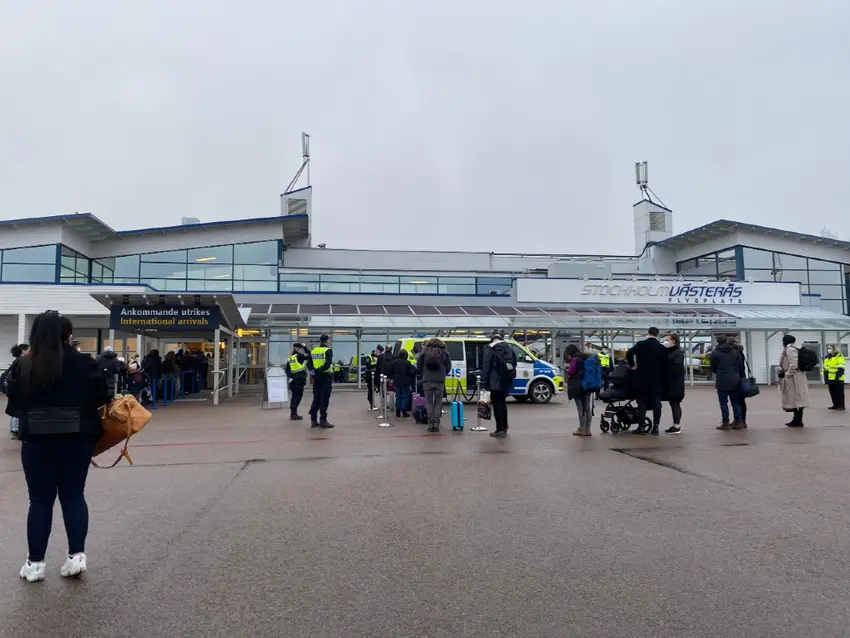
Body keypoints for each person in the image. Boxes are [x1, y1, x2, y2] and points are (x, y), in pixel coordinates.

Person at [5, 311, 108, 583]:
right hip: (77, 437)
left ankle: (35, 563)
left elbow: (14, 399)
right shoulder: (85, 362)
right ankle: (76, 556)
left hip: (37, 439)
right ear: (68, 335)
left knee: (40, 500)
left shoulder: (24, 364)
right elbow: (102, 396)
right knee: (74, 496)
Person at [626, 327, 669, 435]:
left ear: (648, 333)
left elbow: (629, 353)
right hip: (656, 380)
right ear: (657, 334)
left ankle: (641, 426)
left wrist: (633, 365)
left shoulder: (641, 344)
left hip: (642, 378)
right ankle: (656, 427)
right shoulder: (662, 348)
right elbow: (666, 365)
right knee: (656, 404)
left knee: (642, 403)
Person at [481, 333, 517, 438]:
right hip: (506, 381)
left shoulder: (490, 349)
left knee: (497, 405)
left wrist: (484, 382)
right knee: (503, 404)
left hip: (495, 382)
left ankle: (500, 429)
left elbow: (486, 367)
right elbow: (514, 363)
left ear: (492, 340)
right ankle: (504, 425)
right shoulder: (509, 348)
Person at [709, 335, 744, 430]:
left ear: (717, 342)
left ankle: (725, 423)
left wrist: (719, 372)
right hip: (735, 380)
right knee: (736, 402)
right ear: (726, 341)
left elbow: (713, 367)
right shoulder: (735, 352)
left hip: (722, 380)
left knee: (723, 403)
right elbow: (740, 366)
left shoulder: (715, 353)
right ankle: (739, 421)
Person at [417, 338, 452, 432]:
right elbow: (449, 366)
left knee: (429, 402)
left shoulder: (425, 350)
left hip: (427, 379)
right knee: (437, 402)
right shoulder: (444, 351)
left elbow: (419, 363)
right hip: (440, 380)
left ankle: (430, 424)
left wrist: (423, 373)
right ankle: (436, 424)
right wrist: (443, 373)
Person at [779, 334, 811, 427]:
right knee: (796, 399)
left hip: (794, 378)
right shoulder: (792, 348)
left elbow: (793, 364)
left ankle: (798, 420)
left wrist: (787, 374)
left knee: (797, 399)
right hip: (795, 377)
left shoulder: (790, 349)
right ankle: (796, 419)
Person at [2, 343, 30, 439]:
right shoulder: (20, 362)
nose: (29, 351)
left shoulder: (18, 361)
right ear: (23, 351)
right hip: (17, 390)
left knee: (15, 410)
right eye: (28, 349)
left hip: (14, 390)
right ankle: (15, 430)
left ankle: (14, 429)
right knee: (17, 411)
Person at [564, 344, 593, 437]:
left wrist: (568, 370)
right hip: (587, 385)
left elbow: (571, 371)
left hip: (578, 387)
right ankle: (588, 429)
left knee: (581, 408)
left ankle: (582, 429)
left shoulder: (575, 359)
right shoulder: (586, 357)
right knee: (587, 408)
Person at [309, 334, 334, 428]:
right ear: (327, 341)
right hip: (325, 377)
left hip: (316, 377)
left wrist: (314, 371)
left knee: (316, 398)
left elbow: (309, 364)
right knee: (324, 398)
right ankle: (323, 420)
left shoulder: (314, 350)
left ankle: (313, 419)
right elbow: (327, 364)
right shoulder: (328, 350)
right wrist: (319, 370)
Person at [662, 333, 685, 435]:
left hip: (675, 383)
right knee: (673, 403)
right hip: (672, 383)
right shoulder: (670, 352)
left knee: (675, 403)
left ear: (673, 341)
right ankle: (676, 425)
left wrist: (666, 372)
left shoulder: (677, 353)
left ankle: (676, 426)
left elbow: (676, 368)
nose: (665, 342)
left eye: (667, 340)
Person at [285, 343, 309, 421]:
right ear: (298, 349)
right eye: (300, 349)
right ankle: (294, 414)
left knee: (294, 396)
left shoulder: (290, 358)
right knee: (298, 396)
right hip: (299, 379)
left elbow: (287, 369)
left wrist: (291, 376)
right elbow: (310, 355)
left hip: (293, 380)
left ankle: (293, 413)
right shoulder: (299, 356)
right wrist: (305, 347)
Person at [729, 338, 749, 428]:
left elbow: (738, 367)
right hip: (741, 378)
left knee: (737, 401)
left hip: (737, 379)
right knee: (741, 401)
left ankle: (740, 420)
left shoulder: (735, 353)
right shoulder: (740, 351)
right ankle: (741, 420)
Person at [391, 349, 416, 418]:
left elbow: (391, 371)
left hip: (396, 381)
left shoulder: (394, 362)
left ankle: (398, 412)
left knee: (398, 396)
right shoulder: (407, 362)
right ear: (405, 355)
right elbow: (411, 372)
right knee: (405, 396)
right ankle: (404, 412)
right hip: (405, 382)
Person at [823, 345, 846, 411]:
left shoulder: (839, 356)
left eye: (830, 348)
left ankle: (841, 406)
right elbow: (825, 368)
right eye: (828, 348)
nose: (829, 349)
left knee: (839, 393)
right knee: (832, 393)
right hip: (830, 378)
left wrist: (837, 376)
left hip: (838, 378)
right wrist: (826, 378)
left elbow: (841, 367)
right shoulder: (827, 357)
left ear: (834, 349)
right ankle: (835, 405)